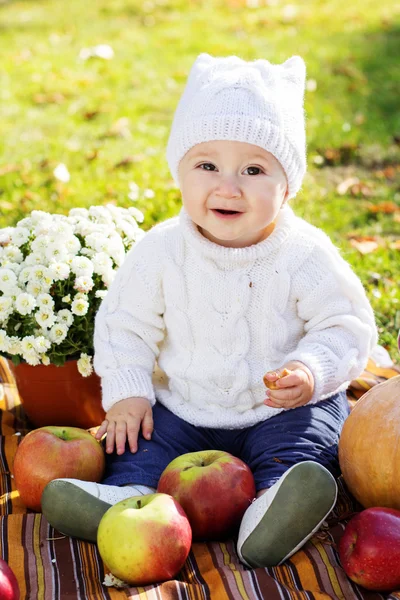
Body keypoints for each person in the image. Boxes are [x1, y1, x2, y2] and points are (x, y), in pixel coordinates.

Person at [42, 53, 377, 568]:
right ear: (180, 172)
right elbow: (124, 325)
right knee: (141, 439)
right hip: (186, 406)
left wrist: (311, 371)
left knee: (306, 441)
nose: (228, 186)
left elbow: (345, 324)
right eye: (207, 165)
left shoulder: (304, 254)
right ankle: (126, 498)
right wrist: (128, 392)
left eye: (254, 169)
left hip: (280, 406)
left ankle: (275, 506)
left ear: (287, 186)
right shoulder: (161, 251)